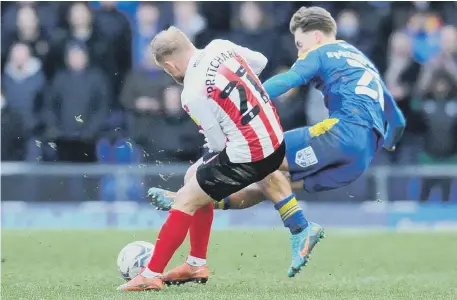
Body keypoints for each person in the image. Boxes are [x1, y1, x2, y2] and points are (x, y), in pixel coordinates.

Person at [148, 5, 406, 283]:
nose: (299, 52)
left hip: (340, 134)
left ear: (316, 36)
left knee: (263, 152)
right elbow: (398, 121)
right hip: (361, 158)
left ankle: (299, 228)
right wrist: (388, 144)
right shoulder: (361, 59)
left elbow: (287, 80)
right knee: (267, 184)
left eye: (300, 43)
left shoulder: (321, 52)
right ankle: (204, 200)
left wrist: (249, 98)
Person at [118, 26, 292, 292]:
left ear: (170, 64)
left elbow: (218, 144)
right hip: (274, 139)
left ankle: (150, 274)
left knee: (187, 197)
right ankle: (196, 263)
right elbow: (261, 62)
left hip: (252, 153)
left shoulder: (192, 91)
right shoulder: (220, 46)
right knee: (194, 177)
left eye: (167, 70)